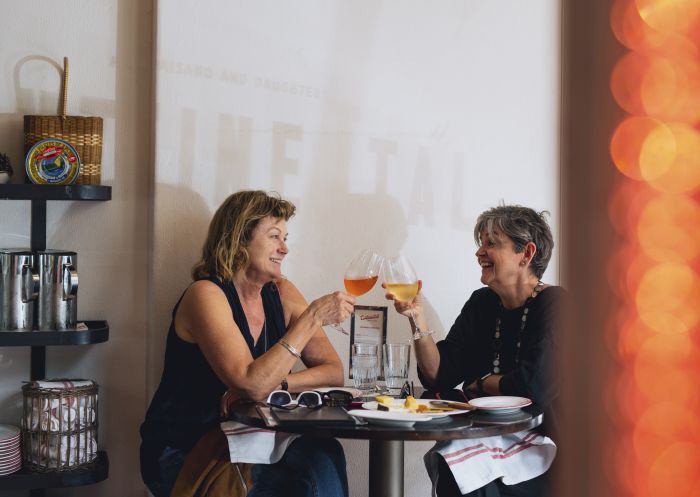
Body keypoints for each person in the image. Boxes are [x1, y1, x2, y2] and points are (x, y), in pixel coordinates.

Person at [140, 190, 355, 497]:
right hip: (189, 446)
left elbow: (333, 372)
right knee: (289, 487)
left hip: (256, 438)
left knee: (324, 453)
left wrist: (279, 383)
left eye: (285, 237)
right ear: (239, 238)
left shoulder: (281, 292)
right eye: (274, 236)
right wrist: (314, 317)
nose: (285, 248)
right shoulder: (205, 295)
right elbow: (252, 384)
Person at [385, 204, 565, 497]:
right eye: (480, 243)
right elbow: (438, 375)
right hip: (490, 435)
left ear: (527, 253)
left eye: (491, 243)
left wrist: (482, 383)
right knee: (453, 463)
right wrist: (416, 318)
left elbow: (532, 388)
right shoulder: (482, 303)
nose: (480, 252)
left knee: (470, 478)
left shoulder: (556, 304)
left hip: (547, 447)